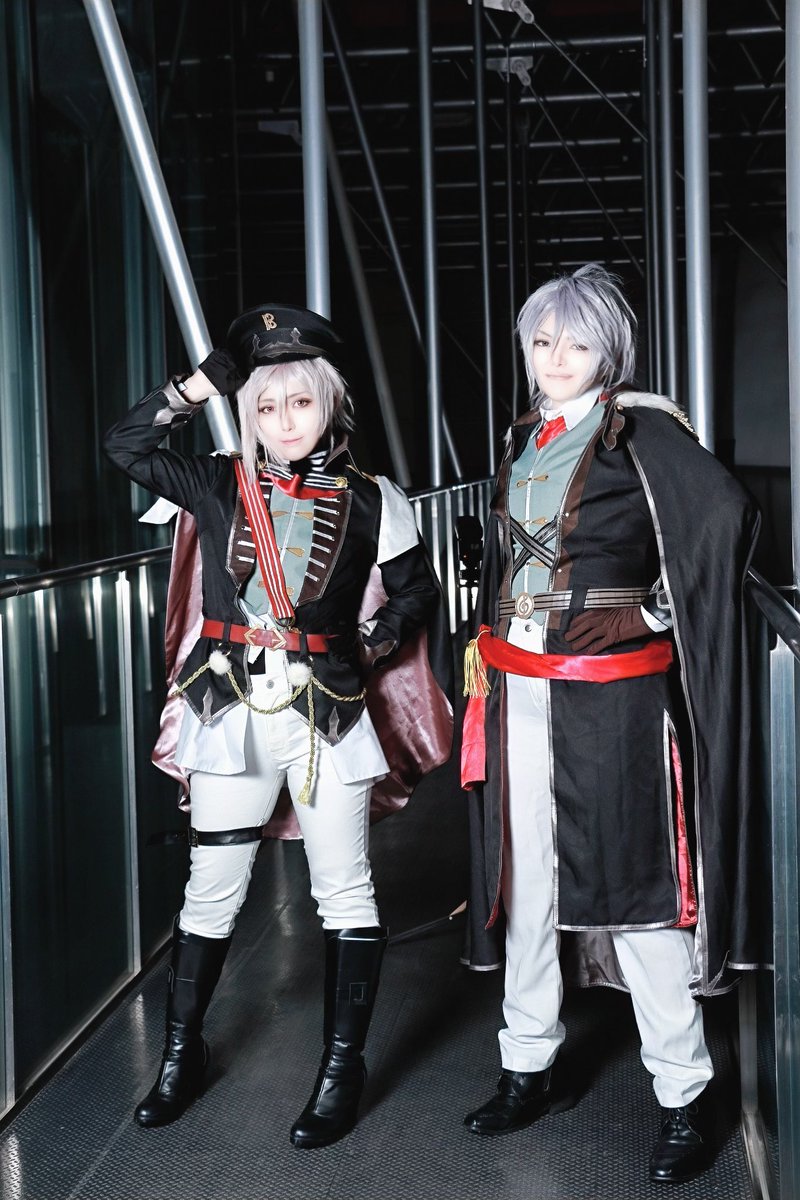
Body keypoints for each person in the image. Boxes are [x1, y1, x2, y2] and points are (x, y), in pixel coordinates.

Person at [104, 304, 452, 1148]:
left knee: (346, 891)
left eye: (299, 402)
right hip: (227, 708)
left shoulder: (375, 500)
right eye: (265, 405)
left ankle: (341, 1070)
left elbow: (418, 591)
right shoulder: (217, 482)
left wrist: (374, 639)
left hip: (327, 712)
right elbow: (126, 446)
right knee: (212, 888)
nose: (284, 421)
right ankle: (180, 1056)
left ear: (328, 402)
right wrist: (198, 386)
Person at [460, 264, 760, 1184]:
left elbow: (728, 516)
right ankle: (527, 1065)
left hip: (615, 698)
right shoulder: (526, 437)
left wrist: (651, 611)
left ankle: (684, 1092)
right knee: (527, 883)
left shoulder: (643, 433)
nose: (557, 358)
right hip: (521, 687)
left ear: (610, 351)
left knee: (638, 894)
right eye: (543, 341)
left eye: (578, 342)